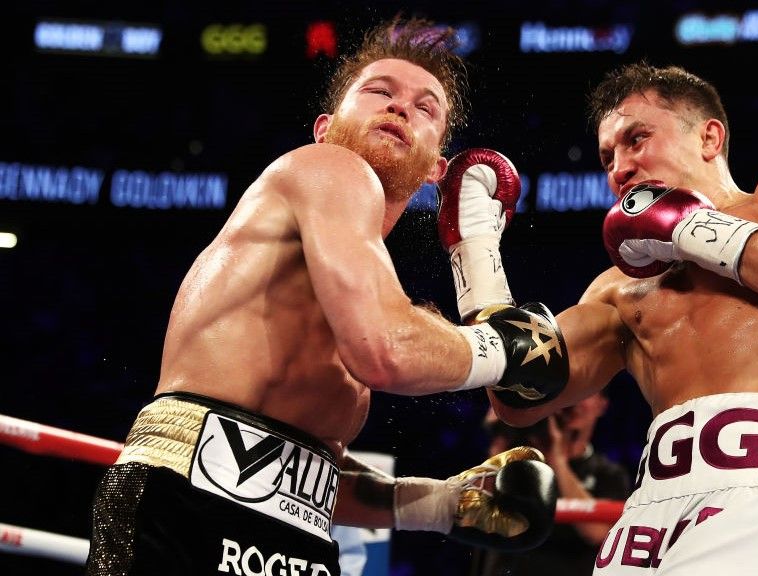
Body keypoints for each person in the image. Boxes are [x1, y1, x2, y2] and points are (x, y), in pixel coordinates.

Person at [85, 17, 570, 576]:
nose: (398, 108)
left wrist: (442, 505)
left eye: (424, 108)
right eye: (378, 92)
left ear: (438, 169)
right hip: (187, 511)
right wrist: (507, 348)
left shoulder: (365, 289)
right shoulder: (326, 168)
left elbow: (302, 473)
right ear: (325, 128)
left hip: (299, 540)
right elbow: (386, 352)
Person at [442, 62, 758, 574]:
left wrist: (690, 227)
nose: (620, 167)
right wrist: (477, 258)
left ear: (709, 138)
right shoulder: (618, 290)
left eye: (636, 139)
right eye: (608, 157)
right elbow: (520, 396)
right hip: (652, 514)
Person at [474, 391, 632, 576]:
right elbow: (478, 502)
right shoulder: (520, 459)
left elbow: (598, 532)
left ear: (602, 405)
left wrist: (557, 460)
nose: (576, 404)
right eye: (571, 397)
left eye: (587, 393)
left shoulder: (609, 474)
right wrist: (503, 428)